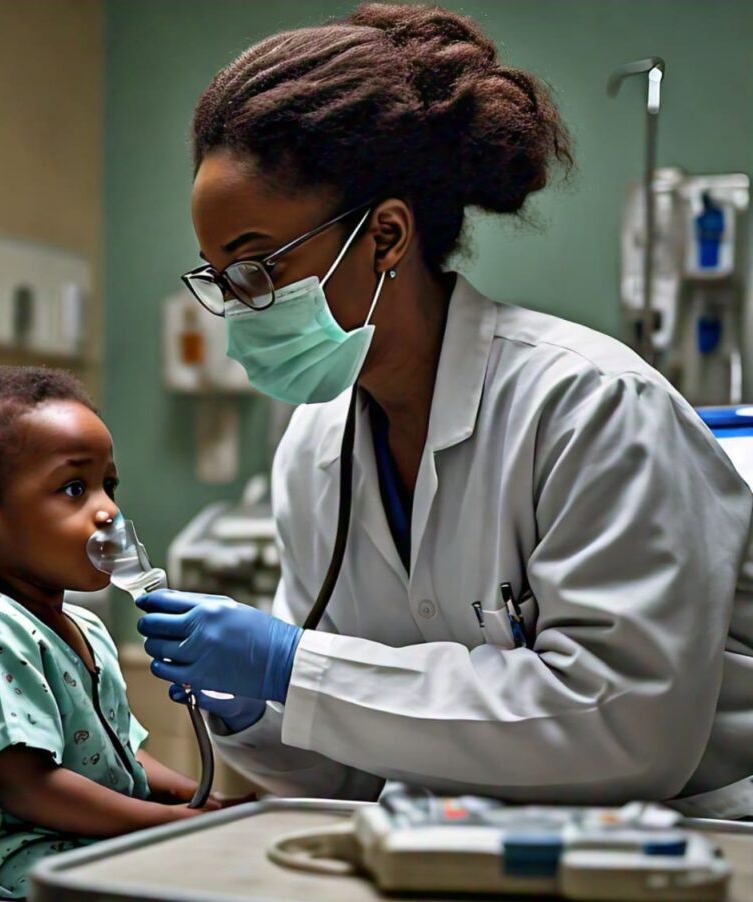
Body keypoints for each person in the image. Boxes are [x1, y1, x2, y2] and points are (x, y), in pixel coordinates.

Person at [136, 3, 753, 819]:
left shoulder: (590, 407)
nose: (238, 310)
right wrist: (254, 711)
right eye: (219, 280)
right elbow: (343, 772)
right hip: (448, 848)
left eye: (256, 267)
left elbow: (629, 728)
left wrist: (297, 666)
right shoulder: (314, 449)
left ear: (386, 236)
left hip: (695, 850)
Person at [0, 367, 221, 899]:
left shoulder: (83, 629)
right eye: (74, 488)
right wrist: (165, 826)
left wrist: (196, 801)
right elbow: (28, 787)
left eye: (108, 485)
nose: (109, 510)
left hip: (44, 826)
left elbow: (121, 752)